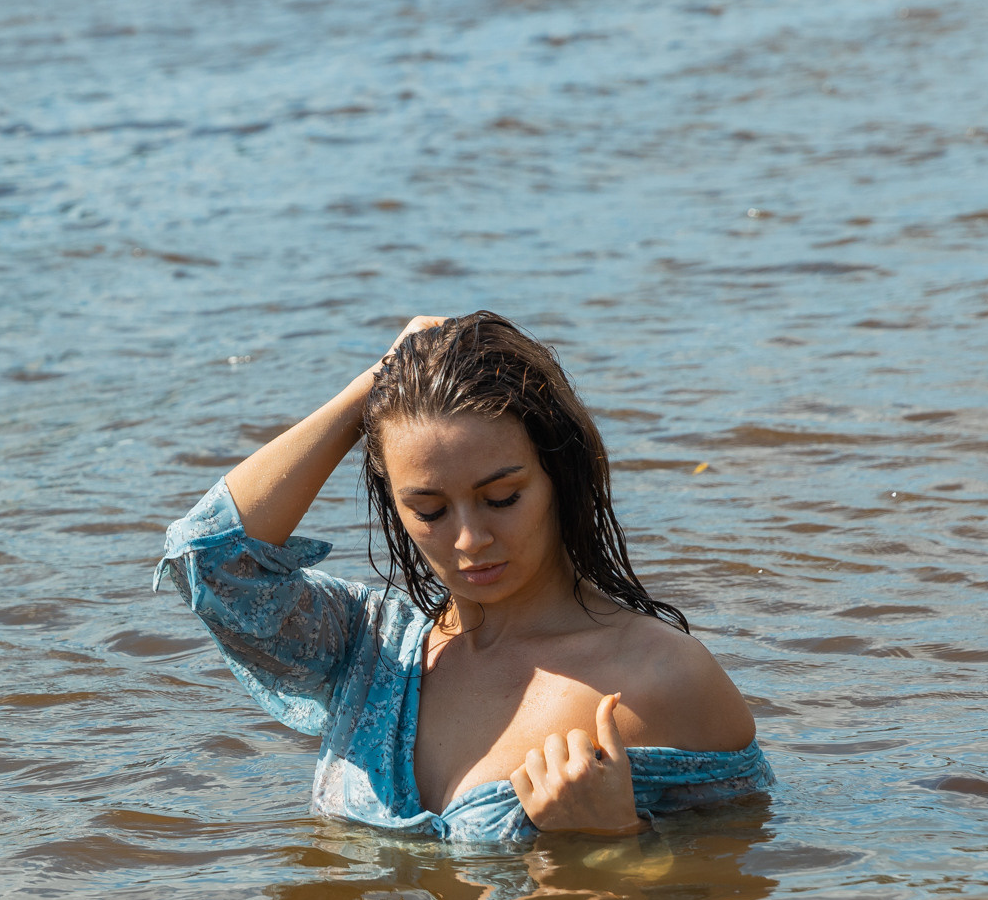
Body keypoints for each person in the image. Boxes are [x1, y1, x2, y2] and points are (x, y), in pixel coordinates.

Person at [157, 312, 770, 843]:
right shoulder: (370, 654)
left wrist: (612, 840)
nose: (470, 540)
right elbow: (209, 560)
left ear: (561, 476)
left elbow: (742, 899)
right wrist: (371, 393)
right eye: (428, 509)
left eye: (502, 497)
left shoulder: (663, 682)